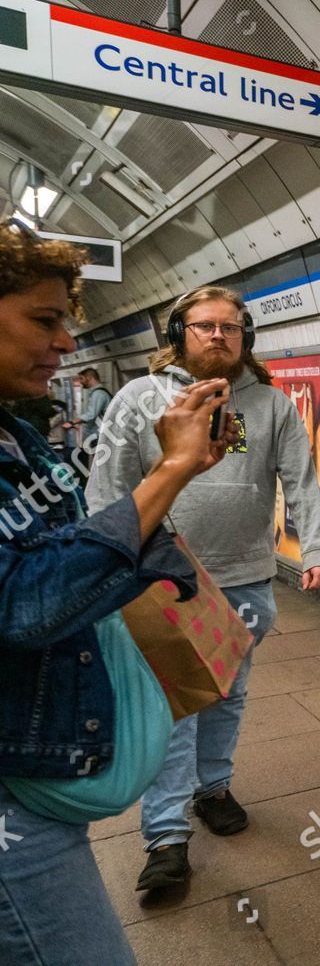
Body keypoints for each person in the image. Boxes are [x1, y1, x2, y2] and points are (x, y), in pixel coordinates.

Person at [0, 218, 233, 963]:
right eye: (44, 319)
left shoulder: (15, 432)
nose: (67, 343)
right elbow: (24, 602)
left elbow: (56, 540)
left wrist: (178, 477)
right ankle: (168, 832)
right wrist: (165, 477)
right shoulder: (129, 398)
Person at [87, 285, 320, 892]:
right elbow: (107, 485)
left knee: (227, 695)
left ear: (245, 338)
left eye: (229, 327)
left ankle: (213, 788)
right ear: (179, 335)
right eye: (203, 326)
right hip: (162, 580)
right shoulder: (137, 399)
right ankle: (166, 836)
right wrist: (102, 565)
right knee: (176, 707)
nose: (217, 336)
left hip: (246, 578)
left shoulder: (269, 406)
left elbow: (299, 479)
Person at [71, 367, 111, 466]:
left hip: (100, 436)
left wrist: (73, 422)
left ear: (89, 377)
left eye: (81, 378)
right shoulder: (98, 392)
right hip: (98, 435)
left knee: (99, 465)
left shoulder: (98, 393)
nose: (80, 382)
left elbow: (91, 414)